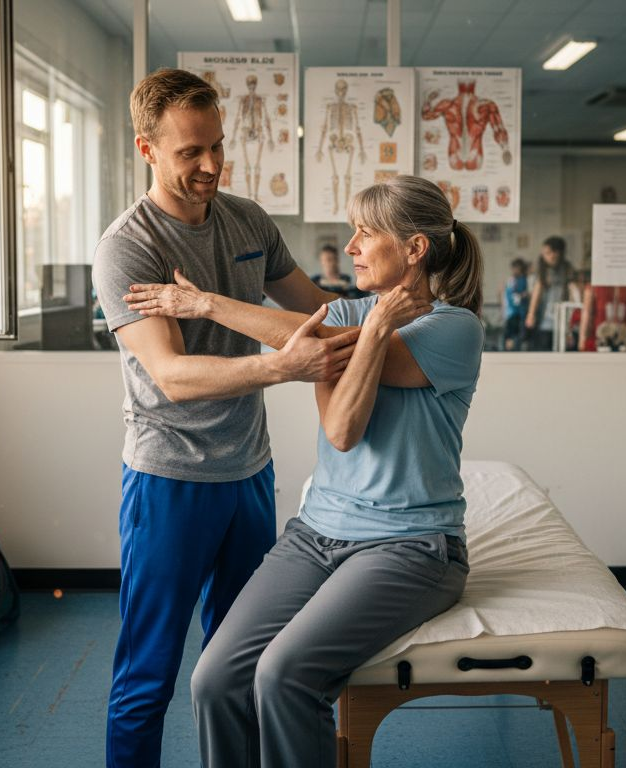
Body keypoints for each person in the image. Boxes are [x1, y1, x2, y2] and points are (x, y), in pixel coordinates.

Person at [123, 175, 483, 768]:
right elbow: (343, 427)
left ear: (414, 249)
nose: (352, 247)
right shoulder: (343, 313)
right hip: (317, 536)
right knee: (214, 678)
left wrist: (204, 303)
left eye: (367, 233)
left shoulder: (455, 329)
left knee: (285, 675)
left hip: (412, 546)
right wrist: (369, 327)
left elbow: (336, 361)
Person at [91, 68, 358, 768]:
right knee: (148, 676)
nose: (210, 165)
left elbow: (316, 311)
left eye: (217, 146)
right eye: (190, 153)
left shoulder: (247, 222)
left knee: (239, 662)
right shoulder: (129, 246)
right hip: (169, 480)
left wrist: (397, 310)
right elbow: (174, 377)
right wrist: (281, 367)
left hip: (248, 475)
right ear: (147, 149)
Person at [525, 235, 577, 351]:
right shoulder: (542, 271)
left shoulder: (567, 270)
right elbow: (536, 294)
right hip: (546, 321)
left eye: (549, 252)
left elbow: (573, 295)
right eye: (545, 253)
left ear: (557, 253)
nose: (546, 256)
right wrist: (531, 314)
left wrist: (571, 322)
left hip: (564, 320)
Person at [502, 257, 529, 350]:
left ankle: (513, 350)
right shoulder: (511, 280)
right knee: (509, 335)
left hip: (518, 313)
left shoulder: (524, 280)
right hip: (510, 312)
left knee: (515, 336)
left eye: (516, 268)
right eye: (513, 268)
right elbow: (506, 295)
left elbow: (524, 294)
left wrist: (522, 295)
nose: (513, 270)